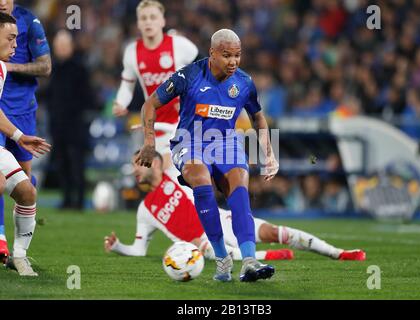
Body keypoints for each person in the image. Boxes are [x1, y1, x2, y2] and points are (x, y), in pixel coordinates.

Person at [137, 29, 280, 282]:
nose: (233, 61)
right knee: (202, 181)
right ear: (212, 53)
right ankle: (223, 258)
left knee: (239, 189)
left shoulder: (244, 83)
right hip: (190, 142)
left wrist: (269, 154)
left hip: (226, 143)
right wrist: (149, 142)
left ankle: (249, 260)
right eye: (227, 55)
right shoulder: (189, 75)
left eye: (237, 55)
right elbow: (150, 104)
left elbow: (258, 117)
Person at [104, 151, 366, 262]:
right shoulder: (145, 210)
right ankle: (265, 257)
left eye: (139, 163)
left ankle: (338, 253)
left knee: (275, 232)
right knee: (216, 252)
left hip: (224, 219)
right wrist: (118, 247)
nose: (135, 170)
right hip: (201, 242)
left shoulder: (176, 173)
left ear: (156, 163)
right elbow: (139, 250)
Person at [113, 0, 199, 172]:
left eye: (153, 17)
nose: (148, 22)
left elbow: (206, 71)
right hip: (154, 126)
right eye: (143, 18)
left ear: (162, 21)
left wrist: (191, 96)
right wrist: (121, 102)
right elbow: (127, 84)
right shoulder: (132, 52)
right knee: (156, 178)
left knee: (174, 174)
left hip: (183, 123)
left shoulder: (180, 45)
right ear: (138, 23)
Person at [0, 11, 51, 275]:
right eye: (10, 39)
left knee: (27, 191)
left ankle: (19, 256)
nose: (16, 46)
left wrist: (20, 137)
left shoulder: (0, 70)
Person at [45, 30, 94, 210]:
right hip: (57, 126)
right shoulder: (53, 68)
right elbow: (49, 95)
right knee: (62, 164)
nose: (61, 48)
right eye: (58, 45)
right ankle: (66, 199)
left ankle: (79, 201)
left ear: (71, 47)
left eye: (64, 45)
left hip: (75, 126)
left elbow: (89, 98)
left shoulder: (80, 68)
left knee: (76, 165)